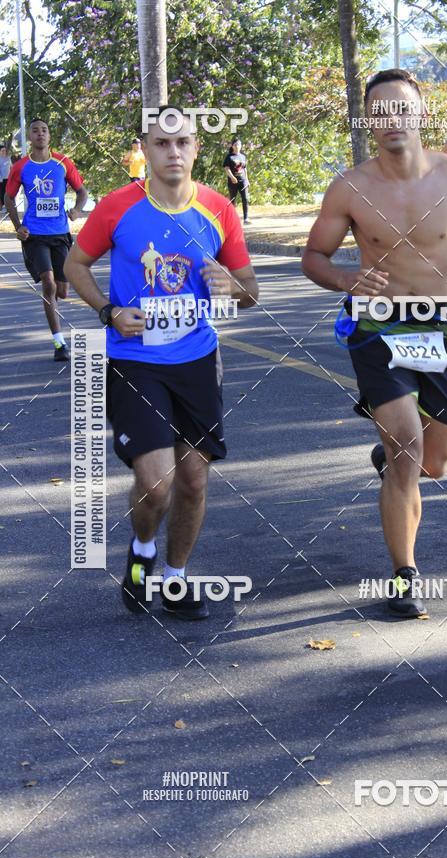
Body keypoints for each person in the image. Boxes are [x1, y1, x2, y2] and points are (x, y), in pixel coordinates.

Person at [302, 69, 447, 619]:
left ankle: (395, 459)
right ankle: (404, 576)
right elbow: (314, 258)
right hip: (377, 326)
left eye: (402, 108)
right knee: (406, 447)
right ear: (368, 121)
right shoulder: (350, 187)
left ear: (420, 115)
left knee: (436, 462)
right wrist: (349, 280)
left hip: (440, 326)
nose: (391, 119)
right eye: (379, 110)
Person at [64, 107, 259, 621]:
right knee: (156, 483)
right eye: (161, 143)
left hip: (196, 358)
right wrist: (107, 310)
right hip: (134, 360)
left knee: (193, 479)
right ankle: (143, 547)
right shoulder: (117, 207)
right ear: (144, 150)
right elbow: (74, 264)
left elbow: (250, 292)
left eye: (182, 143)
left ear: (196, 149)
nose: (173, 152)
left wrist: (230, 288)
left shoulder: (219, 209)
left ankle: (174, 578)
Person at [4, 118, 88, 361]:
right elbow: (9, 198)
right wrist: (18, 227)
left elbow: (82, 192)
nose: (40, 134)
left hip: (60, 233)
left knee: (62, 291)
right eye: (35, 131)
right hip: (35, 235)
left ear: (49, 136)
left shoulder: (62, 162)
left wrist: (77, 210)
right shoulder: (21, 167)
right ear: (29, 138)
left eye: (44, 130)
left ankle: (59, 332)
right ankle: (59, 343)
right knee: (48, 283)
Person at [223, 138, 250, 224]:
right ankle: (231, 218)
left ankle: (246, 218)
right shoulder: (229, 157)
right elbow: (226, 168)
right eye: (235, 144)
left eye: (239, 144)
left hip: (243, 181)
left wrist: (247, 179)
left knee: (245, 198)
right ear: (232, 146)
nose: (237, 146)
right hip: (233, 182)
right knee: (233, 199)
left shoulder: (243, 157)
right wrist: (232, 177)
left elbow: (245, 169)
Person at [0, 145, 11, 211]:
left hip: (8, 178)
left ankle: (8, 206)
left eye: (5, 150)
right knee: (2, 193)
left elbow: (11, 167)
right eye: (2, 151)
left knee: (8, 192)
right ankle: (3, 206)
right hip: (2, 179)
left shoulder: (8, 158)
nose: (4, 152)